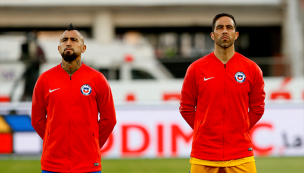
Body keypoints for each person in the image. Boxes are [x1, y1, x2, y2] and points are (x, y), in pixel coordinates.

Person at [179, 13, 265, 173]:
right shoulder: (196, 69)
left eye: (229, 27)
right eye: (219, 27)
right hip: (204, 154)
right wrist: (204, 130)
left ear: (236, 34)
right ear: (212, 35)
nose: (224, 31)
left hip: (241, 154)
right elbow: (186, 108)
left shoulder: (252, 69)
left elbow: (258, 108)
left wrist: (239, 129)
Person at [31, 23, 117, 173]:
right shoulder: (44, 79)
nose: (68, 43)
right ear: (59, 48)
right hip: (52, 165)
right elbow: (37, 120)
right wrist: (54, 141)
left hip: (88, 165)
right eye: (64, 40)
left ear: (83, 48)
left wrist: (92, 144)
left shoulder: (97, 79)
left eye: (74, 40)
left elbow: (109, 119)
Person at [18, 31, 46, 101]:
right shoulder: (26, 48)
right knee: (26, 90)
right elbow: (21, 58)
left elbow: (44, 60)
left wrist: (37, 61)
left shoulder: (39, 48)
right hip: (28, 73)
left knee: (35, 90)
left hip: (35, 73)